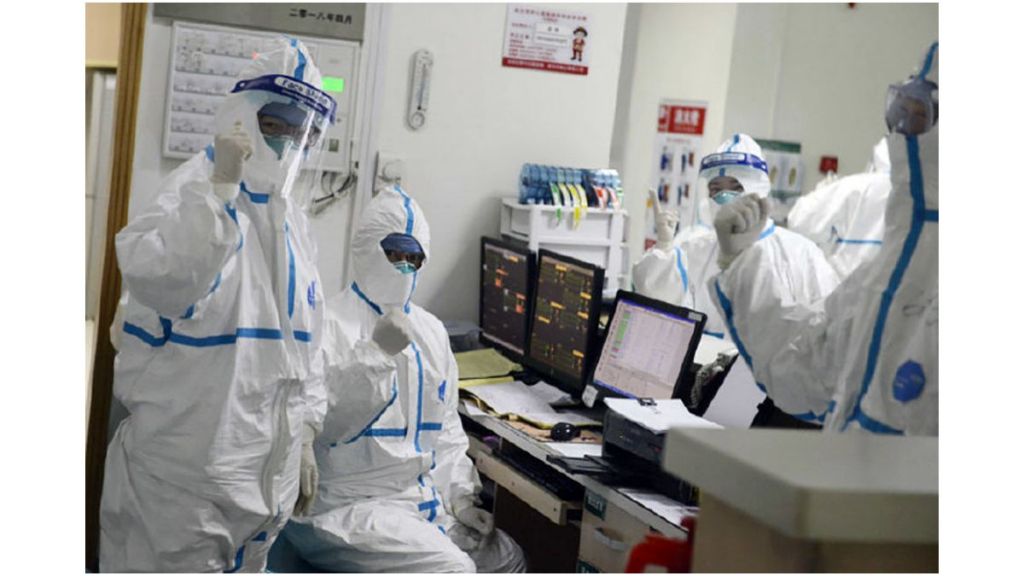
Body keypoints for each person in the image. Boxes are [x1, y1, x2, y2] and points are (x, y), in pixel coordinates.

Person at [100, 38, 340, 572]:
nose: (289, 145)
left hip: (263, 488)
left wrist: (305, 434)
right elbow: (164, 279)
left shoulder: (293, 225)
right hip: (182, 492)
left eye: (303, 134)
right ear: (243, 116)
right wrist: (220, 190)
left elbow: (308, 350)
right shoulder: (192, 192)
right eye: (276, 125)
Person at [284, 186, 526, 573]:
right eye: (394, 254)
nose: (404, 267)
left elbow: (446, 430)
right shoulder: (325, 325)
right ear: (366, 248)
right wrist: (375, 355)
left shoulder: (431, 332)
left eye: (414, 258)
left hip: (418, 502)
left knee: (509, 558)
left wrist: (461, 498)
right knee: (454, 570)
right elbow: (323, 426)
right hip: (346, 506)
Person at [707, 43, 938, 435]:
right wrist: (741, 263)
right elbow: (804, 362)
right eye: (903, 111)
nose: (905, 130)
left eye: (923, 115)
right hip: (844, 472)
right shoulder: (887, 273)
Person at [633, 133, 841, 427]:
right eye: (715, 189)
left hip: (769, 395)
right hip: (696, 386)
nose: (723, 198)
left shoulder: (801, 253)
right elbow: (664, 314)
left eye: (735, 187)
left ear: (758, 190)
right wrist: (664, 250)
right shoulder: (695, 246)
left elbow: (821, 336)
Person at [787, 136, 892, 279]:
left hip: (847, 284)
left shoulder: (853, 187)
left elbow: (799, 221)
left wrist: (823, 191)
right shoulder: (920, 195)